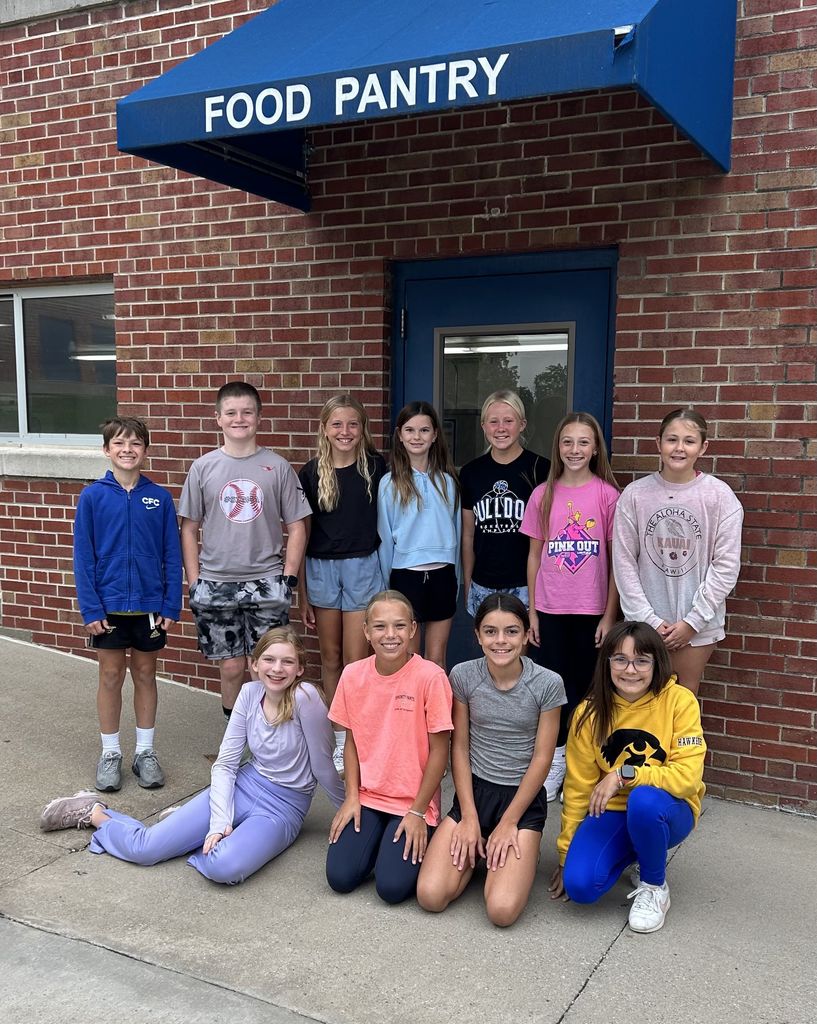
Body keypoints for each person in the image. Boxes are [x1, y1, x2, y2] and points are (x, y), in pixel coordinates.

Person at [40, 627, 345, 885]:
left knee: (224, 867)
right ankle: (94, 812)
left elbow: (323, 766)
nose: (277, 669)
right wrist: (219, 822)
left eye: (287, 662)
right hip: (245, 785)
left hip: (283, 807)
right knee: (146, 849)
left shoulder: (306, 699)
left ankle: (189, 832)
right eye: (269, 659)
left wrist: (348, 810)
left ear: (300, 669)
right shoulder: (249, 694)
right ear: (254, 664)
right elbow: (225, 765)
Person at [548, 621, 706, 934]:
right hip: (611, 812)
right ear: (606, 663)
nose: (630, 670)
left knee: (644, 801)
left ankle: (653, 885)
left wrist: (624, 774)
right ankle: (641, 852)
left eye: (641, 661)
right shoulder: (589, 713)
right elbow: (578, 788)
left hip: (667, 809)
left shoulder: (679, 701)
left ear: (656, 663)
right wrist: (566, 853)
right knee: (580, 886)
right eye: (620, 659)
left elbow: (688, 778)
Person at [416, 594, 564, 926]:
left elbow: (542, 758)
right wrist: (469, 817)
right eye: (490, 631)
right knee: (430, 895)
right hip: (475, 794)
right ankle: (476, 850)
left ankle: (515, 852)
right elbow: (459, 748)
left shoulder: (548, 683)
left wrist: (509, 822)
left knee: (501, 910)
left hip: (520, 801)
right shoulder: (463, 676)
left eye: (511, 631)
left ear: (526, 635)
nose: (501, 641)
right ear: (478, 636)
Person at [178, 381, 311, 720]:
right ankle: (235, 734)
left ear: (259, 417)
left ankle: (267, 735)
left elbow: (297, 526)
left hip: (266, 581)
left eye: (247, 412)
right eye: (231, 413)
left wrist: (288, 579)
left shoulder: (277, 466)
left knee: (266, 666)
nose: (239, 419)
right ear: (218, 418)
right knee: (232, 667)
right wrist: (194, 582)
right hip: (216, 582)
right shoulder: (203, 467)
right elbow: (189, 528)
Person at [73, 416, 182, 793]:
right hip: (109, 605)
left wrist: (171, 605)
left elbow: (172, 555)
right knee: (110, 676)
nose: (127, 449)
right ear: (106, 450)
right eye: (119, 443)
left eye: (135, 443)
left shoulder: (160, 498)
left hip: (150, 607)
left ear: (145, 450)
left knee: (146, 675)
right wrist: (91, 608)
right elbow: (83, 557)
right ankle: (110, 753)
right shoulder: (93, 497)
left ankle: (145, 752)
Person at [325, 590, 453, 904]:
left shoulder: (431, 678)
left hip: (413, 802)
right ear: (366, 631)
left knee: (391, 888)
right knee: (340, 878)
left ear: (413, 630)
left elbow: (440, 752)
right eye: (380, 626)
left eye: (399, 625)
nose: (390, 635)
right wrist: (351, 797)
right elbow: (352, 741)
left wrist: (418, 812)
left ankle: (405, 839)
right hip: (368, 797)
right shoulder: (352, 675)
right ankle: (377, 840)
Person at [520, 412, 620, 800]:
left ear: (595, 448)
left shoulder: (607, 496)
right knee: (553, 692)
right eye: (567, 442)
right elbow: (533, 556)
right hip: (550, 610)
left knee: (589, 692)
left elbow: (615, 563)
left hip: (592, 612)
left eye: (583, 442)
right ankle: (555, 761)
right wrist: (532, 611)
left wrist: (609, 615)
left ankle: (584, 767)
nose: (574, 449)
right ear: (557, 447)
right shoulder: (542, 495)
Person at [613, 407, 743, 695]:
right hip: (644, 624)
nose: (679, 448)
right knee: (638, 701)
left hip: (697, 627)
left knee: (683, 702)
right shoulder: (635, 495)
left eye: (689, 441)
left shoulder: (720, 497)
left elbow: (726, 566)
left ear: (703, 447)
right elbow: (623, 563)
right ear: (658, 443)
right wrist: (648, 620)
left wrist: (692, 622)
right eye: (672, 439)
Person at [298, 395, 387, 774]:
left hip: (362, 567)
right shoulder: (310, 473)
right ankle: (339, 737)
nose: (345, 431)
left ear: (363, 429)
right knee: (330, 658)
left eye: (353, 424)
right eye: (337, 424)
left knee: (357, 660)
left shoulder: (377, 469)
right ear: (324, 428)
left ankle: (360, 735)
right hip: (320, 569)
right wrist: (302, 592)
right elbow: (301, 534)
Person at [377, 401, 461, 669]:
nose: (417, 437)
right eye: (410, 430)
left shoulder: (448, 482)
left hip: (442, 575)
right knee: (410, 660)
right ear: (400, 435)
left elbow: (457, 533)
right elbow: (384, 537)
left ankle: (437, 700)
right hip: (406, 577)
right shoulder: (389, 483)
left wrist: (456, 578)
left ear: (435, 435)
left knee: (436, 659)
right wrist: (387, 587)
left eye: (424, 430)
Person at [460, 390, 549, 617]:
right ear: (483, 426)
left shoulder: (541, 469)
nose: (501, 428)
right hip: (483, 582)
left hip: (526, 584)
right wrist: (468, 583)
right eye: (493, 422)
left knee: (523, 641)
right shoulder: (471, 472)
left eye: (508, 421)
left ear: (522, 425)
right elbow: (468, 535)